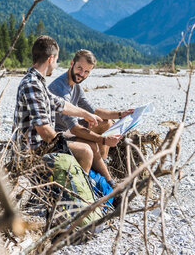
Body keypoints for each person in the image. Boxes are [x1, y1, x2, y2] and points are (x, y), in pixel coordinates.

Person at [12, 36, 103, 174]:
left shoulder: (38, 83)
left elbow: (61, 104)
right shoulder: (32, 84)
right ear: (51, 59)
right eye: (57, 60)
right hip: (32, 152)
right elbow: (44, 131)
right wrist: (64, 143)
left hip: (41, 145)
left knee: (85, 145)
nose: (56, 65)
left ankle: (81, 183)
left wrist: (86, 114)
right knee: (85, 151)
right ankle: (74, 193)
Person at [48, 49, 133, 187]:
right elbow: (74, 128)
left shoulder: (75, 86)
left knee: (106, 123)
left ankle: (101, 164)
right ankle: (110, 183)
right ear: (71, 63)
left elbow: (94, 110)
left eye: (87, 71)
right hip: (57, 133)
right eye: (79, 68)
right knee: (92, 145)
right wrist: (104, 140)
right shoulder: (60, 89)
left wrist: (120, 114)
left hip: (69, 130)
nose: (82, 74)